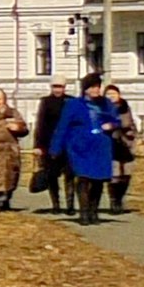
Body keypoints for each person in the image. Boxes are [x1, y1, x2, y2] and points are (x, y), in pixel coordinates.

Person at [53, 72, 120, 226]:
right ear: (85, 89)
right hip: (80, 147)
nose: (96, 90)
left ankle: (93, 211)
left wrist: (112, 125)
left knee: (98, 181)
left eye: (98, 87)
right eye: (92, 87)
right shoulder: (73, 105)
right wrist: (55, 148)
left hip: (100, 148)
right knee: (83, 179)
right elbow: (62, 126)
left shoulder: (106, 103)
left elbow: (116, 120)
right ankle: (83, 213)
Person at [27, 79, 70, 214]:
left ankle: (70, 205)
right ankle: (56, 204)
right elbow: (41, 124)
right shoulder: (46, 101)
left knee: (70, 175)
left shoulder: (71, 101)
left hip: (68, 145)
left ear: (65, 87)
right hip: (49, 144)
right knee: (51, 176)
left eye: (60, 87)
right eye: (55, 86)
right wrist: (38, 145)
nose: (58, 89)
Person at [101, 84, 139, 213]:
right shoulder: (102, 109)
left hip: (126, 144)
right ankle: (114, 201)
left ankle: (120, 198)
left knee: (126, 174)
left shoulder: (125, 107)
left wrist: (135, 137)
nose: (111, 96)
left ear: (119, 95)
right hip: (110, 144)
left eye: (114, 94)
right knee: (114, 174)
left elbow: (131, 124)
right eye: (108, 94)